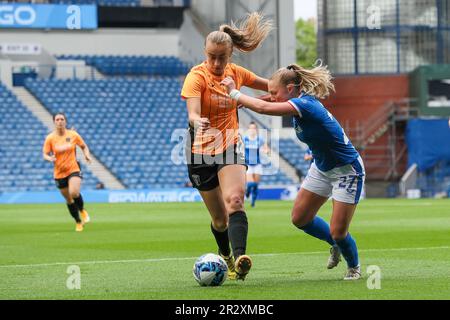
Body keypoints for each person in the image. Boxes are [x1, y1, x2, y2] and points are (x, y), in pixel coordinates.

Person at [221, 62, 365, 280]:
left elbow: (266, 108)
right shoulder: (295, 99)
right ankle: (334, 243)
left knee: (338, 231)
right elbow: (269, 101)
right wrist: (253, 101)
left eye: (274, 92)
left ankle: (353, 266)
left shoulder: (306, 105)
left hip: (347, 170)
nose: (271, 96)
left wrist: (235, 94)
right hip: (322, 167)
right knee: (300, 218)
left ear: (290, 89)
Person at [181, 12, 272, 280]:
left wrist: (251, 98)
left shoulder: (237, 73)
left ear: (230, 54)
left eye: (221, 57)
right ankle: (227, 257)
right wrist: (198, 123)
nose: (216, 62)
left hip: (229, 145)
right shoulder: (196, 76)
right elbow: (192, 113)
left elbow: (272, 89)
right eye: (211, 56)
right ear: (205, 52)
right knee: (219, 220)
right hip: (199, 152)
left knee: (235, 201)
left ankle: (241, 257)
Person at [43, 112, 92, 232]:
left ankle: (82, 210)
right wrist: (50, 158)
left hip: (73, 168)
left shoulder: (73, 135)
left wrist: (87, 155)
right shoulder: (50, 138)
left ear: (65, 121)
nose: (60, 121)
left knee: (74, 192)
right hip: (59, 173)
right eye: (57, 119)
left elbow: (84, 146)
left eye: (62, 119)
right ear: (54, 122)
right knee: (69, 200)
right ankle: (78, 222)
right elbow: (44, 153)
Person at [243, 122, 269, 207]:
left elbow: (266, 149)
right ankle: (247, 192)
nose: (252, 130)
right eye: (251, 128)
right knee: (251, 183)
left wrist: (266, 151)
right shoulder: (245, 139)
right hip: (248, 165)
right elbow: (240, 148)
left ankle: (253, 202)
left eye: (254, 128)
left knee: (256, 185)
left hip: (257, 164)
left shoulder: (259, 139)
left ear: (256, 130)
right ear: (248, 130)